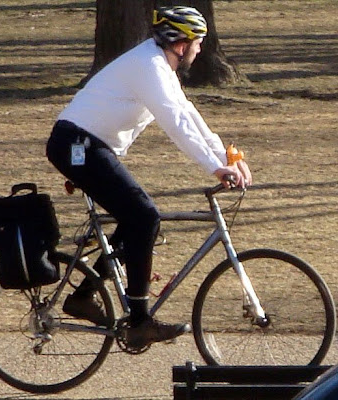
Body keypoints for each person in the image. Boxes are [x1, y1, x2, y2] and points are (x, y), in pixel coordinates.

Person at [46, 6, 252, 349]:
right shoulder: (149, 66)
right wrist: (215, 168)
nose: (200, 50)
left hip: (88, 146)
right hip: (77, 146)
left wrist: (227, 157)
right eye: (198, 43)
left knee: (136, 218)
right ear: (181, 44)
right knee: (144, 215)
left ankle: (83, 296)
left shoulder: (158, 65)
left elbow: (188, 114)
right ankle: (139, 321)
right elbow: (175, 122)